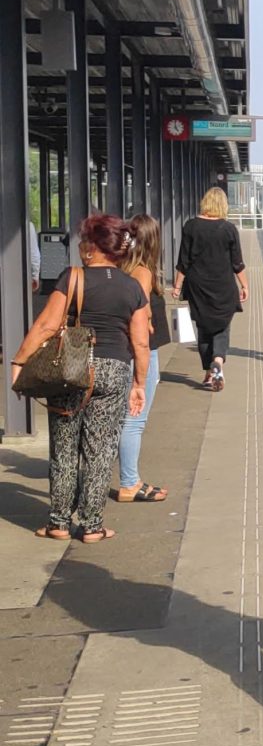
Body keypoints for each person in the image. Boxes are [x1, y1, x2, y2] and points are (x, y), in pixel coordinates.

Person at [10, 214, 149, 543]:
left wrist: (20, 361)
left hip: (72, 369)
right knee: (100, 451)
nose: (81, 247)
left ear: (93, 248)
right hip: (114, 371)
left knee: (64, 449)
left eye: (84, 241)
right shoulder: (132, 286)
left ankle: (58, 523)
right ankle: (92, 526)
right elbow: (141, 342)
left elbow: (46, 325)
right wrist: (139, 384)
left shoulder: (72, 278)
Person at [111, 214, 170, 504]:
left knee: (124, 418)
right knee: (134, 419)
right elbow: (141, 314)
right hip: (142, 351)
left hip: (123, 350)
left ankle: (126, 478)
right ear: (153, 240)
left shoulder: (122, 267)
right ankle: (130, 483)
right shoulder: (144, 272)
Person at [172, 187, 246, 391]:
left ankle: (208, 372)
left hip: (198, 287)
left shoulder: (191, 226)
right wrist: (245, 285)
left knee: (203, 328)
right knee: (222, 327)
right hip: (223, 286)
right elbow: (237, 263)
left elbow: (183, 262)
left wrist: (177, 286)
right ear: (223, 205)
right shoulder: (229, 229)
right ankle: (218, 363)